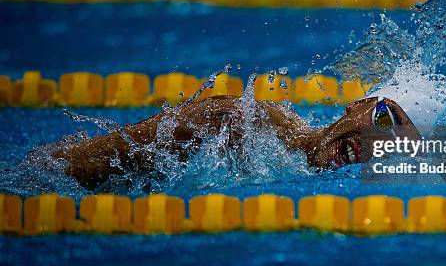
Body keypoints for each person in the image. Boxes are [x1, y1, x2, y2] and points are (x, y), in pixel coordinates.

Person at [52, 95, 420, 189]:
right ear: (354, 106)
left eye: (393, 147)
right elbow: (95, 159)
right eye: (382, 120)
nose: (376, 143)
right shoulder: (244, 122)